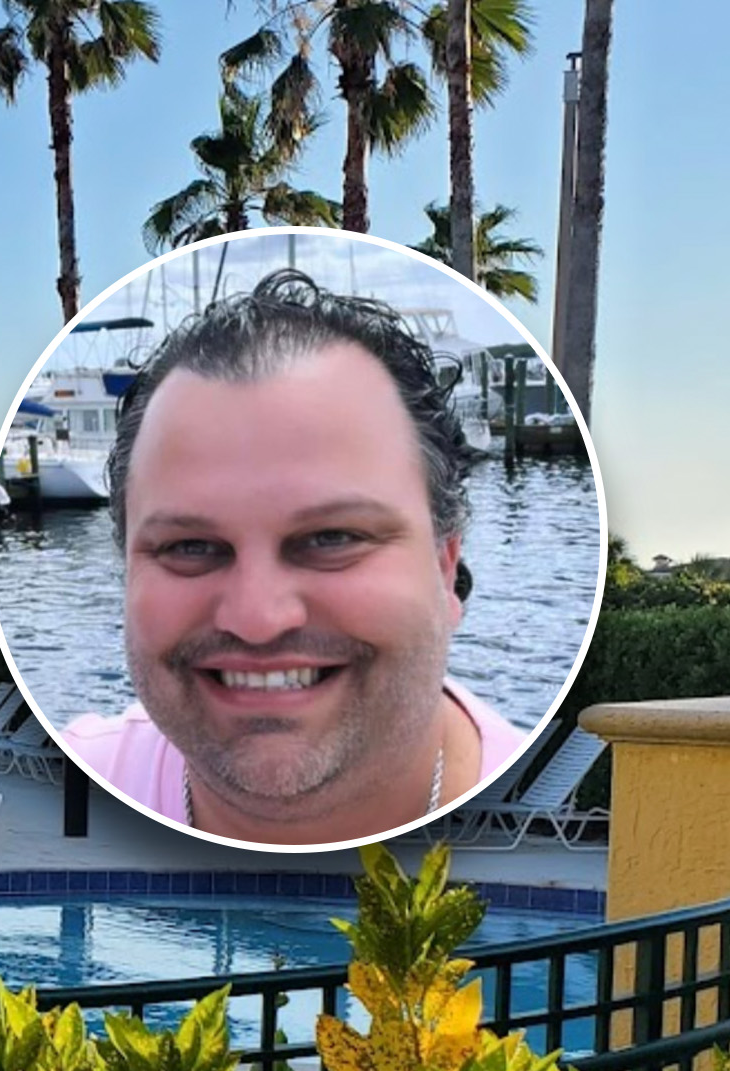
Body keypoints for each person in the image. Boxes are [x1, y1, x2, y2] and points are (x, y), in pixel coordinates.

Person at [60, 269, 524, 846]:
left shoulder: (535, 816)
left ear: (445, 568)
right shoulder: (79, 782)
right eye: (190, 548)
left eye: (332, 538)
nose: (258, 619)